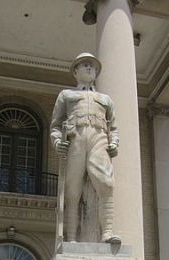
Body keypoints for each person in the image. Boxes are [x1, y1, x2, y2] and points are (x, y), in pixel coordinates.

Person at [50, 52, 121, 244]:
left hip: (99, 139)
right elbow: (55, 126)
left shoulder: (105, 99)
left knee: (106, 184)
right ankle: (71, 238)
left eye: (92, 66)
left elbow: (113, 127)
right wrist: (57, 142)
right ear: (75, 71)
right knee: (73, 190)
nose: (90, 68)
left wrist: (114, 142)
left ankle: (107, 233)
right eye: (85, 65)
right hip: (75, 140)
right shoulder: (66, 95)